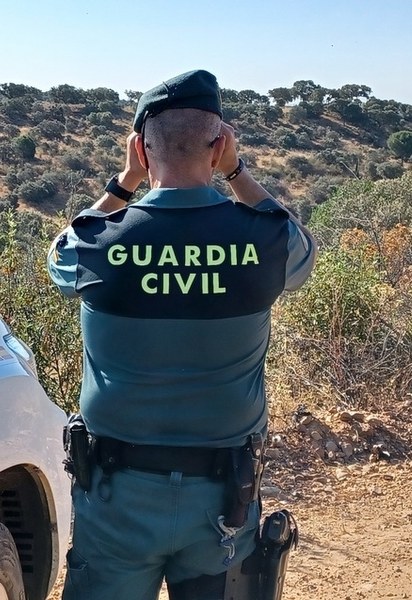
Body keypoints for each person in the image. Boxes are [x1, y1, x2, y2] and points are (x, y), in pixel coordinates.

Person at [47, 69, 316, 600]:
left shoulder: (96, 243)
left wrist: (121, 184)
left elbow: (59, 249)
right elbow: (296, 236)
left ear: (141, 151)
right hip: (222, 501)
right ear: (218, 148)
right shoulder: (266, 242)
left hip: (114, 495)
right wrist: (237, 172)